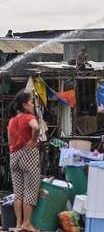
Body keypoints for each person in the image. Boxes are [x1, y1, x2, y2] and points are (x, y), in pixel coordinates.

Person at [7, 91, 41, 232]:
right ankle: (27, 223)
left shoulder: (12, 120)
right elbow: (36, 127)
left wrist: (16, 148)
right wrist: (33, 141)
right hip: (28, 155)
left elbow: (9, 141)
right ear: (24, 104)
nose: (33, 104)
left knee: (18, 193)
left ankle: (18, 224)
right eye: (31, 101)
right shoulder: (29, 117)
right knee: (30, 190)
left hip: (14, 156)